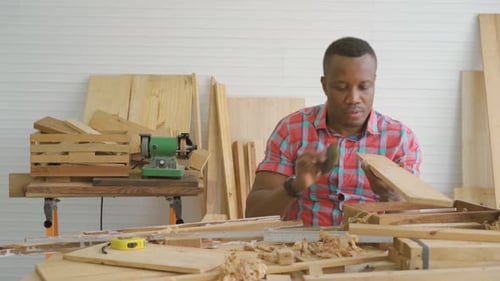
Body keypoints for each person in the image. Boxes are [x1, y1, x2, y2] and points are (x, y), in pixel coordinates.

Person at [245, 37, 421, 226]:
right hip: (301, 248)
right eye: (341, 87)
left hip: (372, 249)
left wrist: (389, 194)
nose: (353, 98)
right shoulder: (291, 130)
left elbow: (415, 224)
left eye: (364, 87)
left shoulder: (400, 139)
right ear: (324, 85)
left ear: (374, 82)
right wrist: (295, 185)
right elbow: (254, 213)